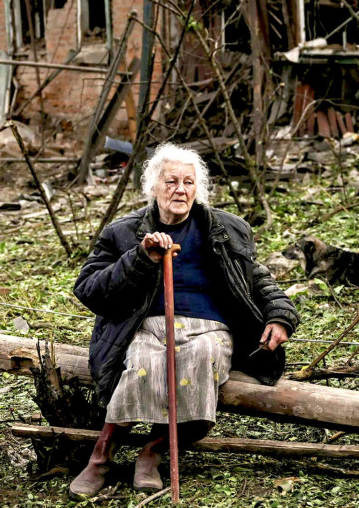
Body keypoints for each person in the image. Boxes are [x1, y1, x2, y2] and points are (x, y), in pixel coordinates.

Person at [70, 143, 300, 499]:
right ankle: (100, 457)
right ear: (154, 187)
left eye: (189, 182)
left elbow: (258, 277)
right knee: (145, 362)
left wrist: (280, 315)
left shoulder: (225, 228)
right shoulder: (123, 232)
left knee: (200, 359)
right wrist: (140, 257)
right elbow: (88, 289)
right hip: (145, 325)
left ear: (198, 189)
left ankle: (153, 451)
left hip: (210, 328)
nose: (181, 190)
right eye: (172, 181)